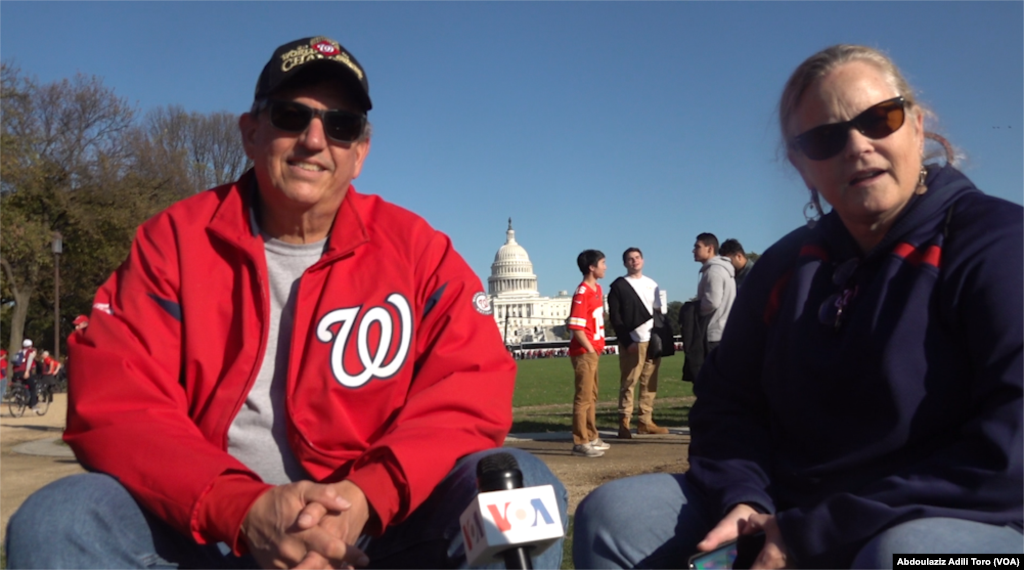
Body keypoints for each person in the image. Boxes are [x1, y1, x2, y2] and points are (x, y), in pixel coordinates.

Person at [6, 36, 566, 570]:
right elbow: (116, 398)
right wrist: (243, 509)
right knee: (61, 520)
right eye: (291, 116)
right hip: (215, 534)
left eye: (341, 125)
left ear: (361, 152)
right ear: (250, 132)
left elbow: (471, 387)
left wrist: (363, 499)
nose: (315, 140)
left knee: (523, 494)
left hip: (380, 530)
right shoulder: (174, 242)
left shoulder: (417, 251)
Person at [574, 44, 1024, 570]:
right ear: (801, 164)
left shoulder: (996, 243)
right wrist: (744, 497)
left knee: (908, 557)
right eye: (826, 138)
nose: (858, 146)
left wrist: (819, 528)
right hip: (789, 509)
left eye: (882, 119)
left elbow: (1009, 452)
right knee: (616, 515)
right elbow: (727, 404)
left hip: (960, 518)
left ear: (918, 127)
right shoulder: (786, 265)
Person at [607, 247, 669, 439]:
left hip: (652, 339)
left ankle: (645, 421)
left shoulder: (652, 284)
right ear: (625, 263)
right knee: (629, 382)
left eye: (637, 258)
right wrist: (627, 341)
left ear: (643, 260)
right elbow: (616, 318)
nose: (634, 261)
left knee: (649, 383)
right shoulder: (619, 286)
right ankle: (624, 422)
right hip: (633, 340)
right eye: (630, 259)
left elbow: (659, 311)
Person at [567, 249, 609, 458]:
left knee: (592, 395)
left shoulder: (597, 289)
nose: (605, 267)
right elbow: (575, 326)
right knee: (583, 397)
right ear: (592, 267)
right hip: (585, 351)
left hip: (594, 348)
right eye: (602, 263)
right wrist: (590, 348)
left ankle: (592, 435)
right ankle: (580, 441)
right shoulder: (582, 293)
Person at [692, 232, 735, 357]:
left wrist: (694, 311)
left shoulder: (714, 271)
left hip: (714, 334)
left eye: (697, 247)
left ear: (710, 248)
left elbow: (712, 302)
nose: (693, 250)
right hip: (725, 331)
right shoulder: (722, 269)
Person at [11, 339, 39, 410]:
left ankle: (20, 397)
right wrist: (27, 371)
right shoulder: (31, 351)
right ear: (31, 345)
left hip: (16, 372)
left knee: (23, 385)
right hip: (24, 371)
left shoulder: (19, 351)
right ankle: (32, 405)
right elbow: (29, 360)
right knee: (33, 387)